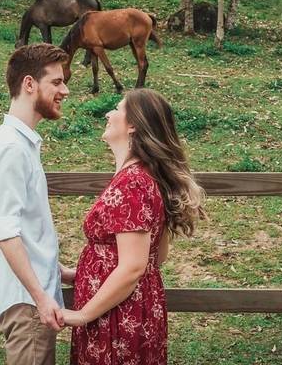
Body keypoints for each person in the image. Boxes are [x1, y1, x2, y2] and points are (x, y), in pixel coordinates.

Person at [62, 88, 207, 364]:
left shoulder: (133, 183)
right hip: (129, 307)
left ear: (132, 125)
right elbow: (156, 256)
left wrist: (82, 315)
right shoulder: (143, 176)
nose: (108, 114)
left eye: (117, 109)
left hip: (116, 315)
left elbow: (133, 267)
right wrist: (78, 274)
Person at [0, 43, 76, 365]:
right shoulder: (11, 148)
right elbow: (5, 231)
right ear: (29, 84)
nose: (65, 90)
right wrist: (40, 297)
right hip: (28, 303)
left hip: (32, 298)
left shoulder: (22, 144)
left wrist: (59, 272)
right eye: (56, 82)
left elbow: (24, 227)